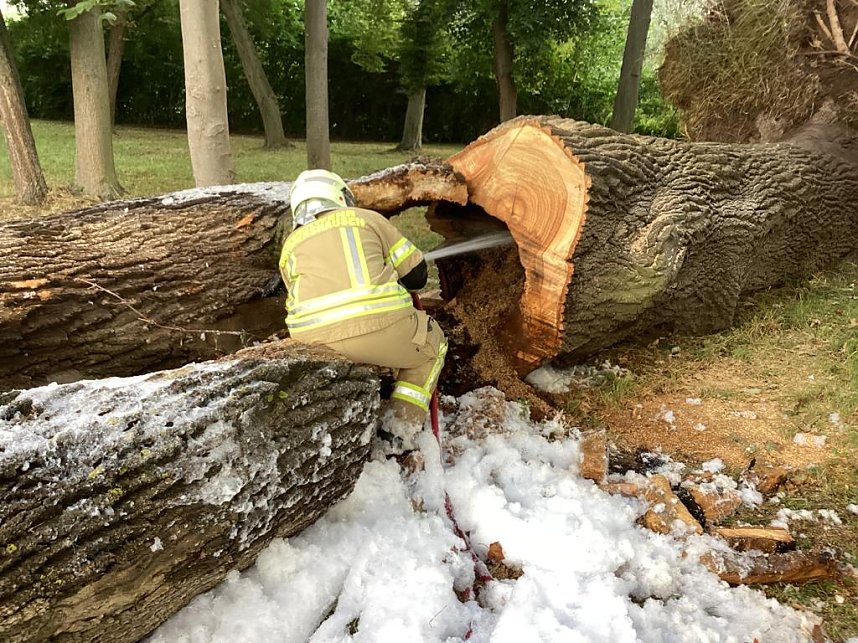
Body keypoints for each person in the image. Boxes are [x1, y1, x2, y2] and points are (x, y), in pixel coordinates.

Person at [279, 169, 447, 450]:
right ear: (339, 197)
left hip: (312, 344)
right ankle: (399, 430)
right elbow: (417, 277)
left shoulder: (290, 246)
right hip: (380, 331)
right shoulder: (366, 219)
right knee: (432, 347)